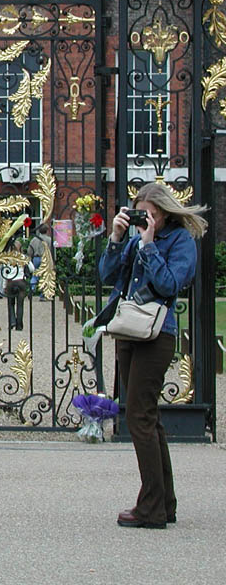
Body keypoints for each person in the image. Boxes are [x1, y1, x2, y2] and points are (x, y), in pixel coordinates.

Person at [98, 182, 206, 529]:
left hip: (157, 335)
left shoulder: (180, 241)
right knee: (148, 418)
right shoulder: (133, 240)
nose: (146, 220)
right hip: (129, 332)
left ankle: (151, 509)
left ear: (164, 213)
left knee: (139, 417)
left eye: (151, 215)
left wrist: (148, 246)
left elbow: (170, 284)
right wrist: (117, 239)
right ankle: (165, 503)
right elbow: (107, 275)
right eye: (140, 214)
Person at [0, 238, 27, 331]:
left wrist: (4, 286)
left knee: (11, 304)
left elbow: (4, 273)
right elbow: (31, 268)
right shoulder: (23, 257)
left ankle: (12, 321)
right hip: (20, 281)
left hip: (10, 282)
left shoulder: (8, 258)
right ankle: (19, 325)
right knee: (20, 304)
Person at [26, 223, 52, 297]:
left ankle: (32, 288)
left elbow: (29, 251)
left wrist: (30, 257)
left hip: (36, 258)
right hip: (45, 258)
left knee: (35, 275)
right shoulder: (49, 240)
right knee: (44, 276)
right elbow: (51, 251)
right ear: (46, 230)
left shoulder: (34, 239)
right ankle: (43, 295)